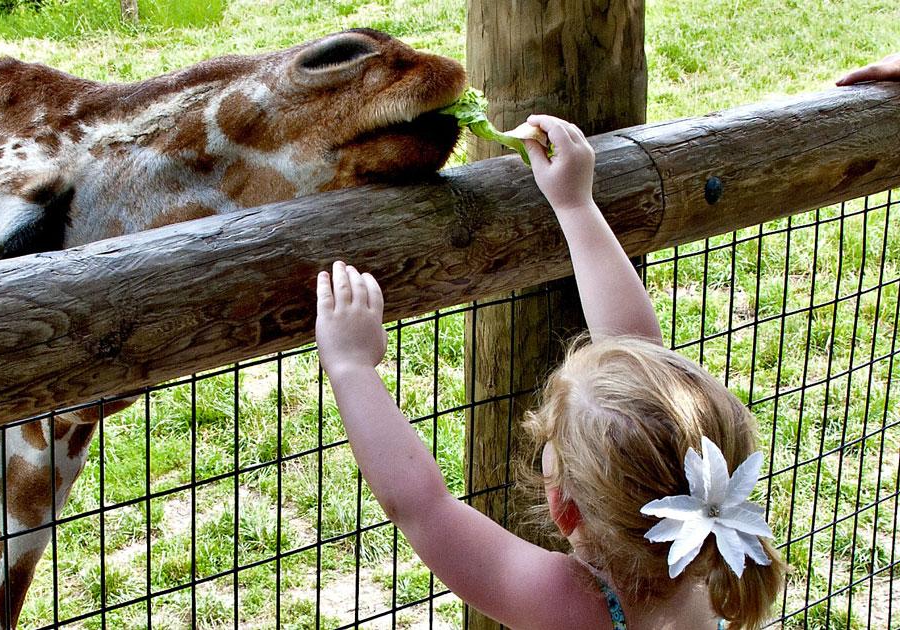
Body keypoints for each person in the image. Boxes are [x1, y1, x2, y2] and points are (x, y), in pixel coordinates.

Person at [314, 115, 784, 629]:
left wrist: (350, 364)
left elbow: (425, 509)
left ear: (563, 507)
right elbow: (639, 363)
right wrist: (575, 204)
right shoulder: (709, 572)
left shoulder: (568, 605)